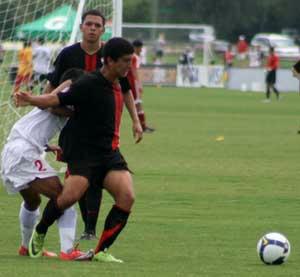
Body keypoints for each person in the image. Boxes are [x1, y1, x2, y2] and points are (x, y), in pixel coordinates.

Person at [15, 37, 143, 263]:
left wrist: (136, 120)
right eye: (124, 61)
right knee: (66, 198)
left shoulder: (119, 81)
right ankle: (41, 231)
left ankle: (101, 251)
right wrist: (31, 99)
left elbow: (128, 96)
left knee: (127, 196)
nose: (128, 66)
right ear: (110, 61)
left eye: (130, 61)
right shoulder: (87, 83)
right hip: (84, 154)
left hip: (109, 154)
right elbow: (56, 98)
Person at [45, 9, 139, 240]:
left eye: (97, 25)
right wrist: (49, 108)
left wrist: (136, 120)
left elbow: (126, 91)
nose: (93, 28)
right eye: (89, 24)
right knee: (79, 182)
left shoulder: (113, 55)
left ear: (103, 29)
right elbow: (51, 89)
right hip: (73, 128)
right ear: (82, 27)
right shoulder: (68, 54)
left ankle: (89, 229)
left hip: (104, 127)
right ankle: (70, 226)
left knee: (94, 176)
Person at [2, 68, 92, 261]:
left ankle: (26, 248)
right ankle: (68, 252)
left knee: (32, 202)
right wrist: (73, 109)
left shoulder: (63, 99)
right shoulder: (66, 90)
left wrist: (47, 146)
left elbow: (38, 120)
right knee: (64, 197)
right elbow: (51, 105)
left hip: (14, 150)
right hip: (23, 153)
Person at [127, 39, 155, 133]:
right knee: (138, 104)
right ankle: (142, 127)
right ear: (136, 47)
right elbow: (133, 71)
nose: (141, 50)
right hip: (132, 82)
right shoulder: (134, 57)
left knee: (136, 104)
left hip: (128, 82)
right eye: (140, 48)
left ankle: (143, 126)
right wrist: (138, 84)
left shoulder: (130, 56)